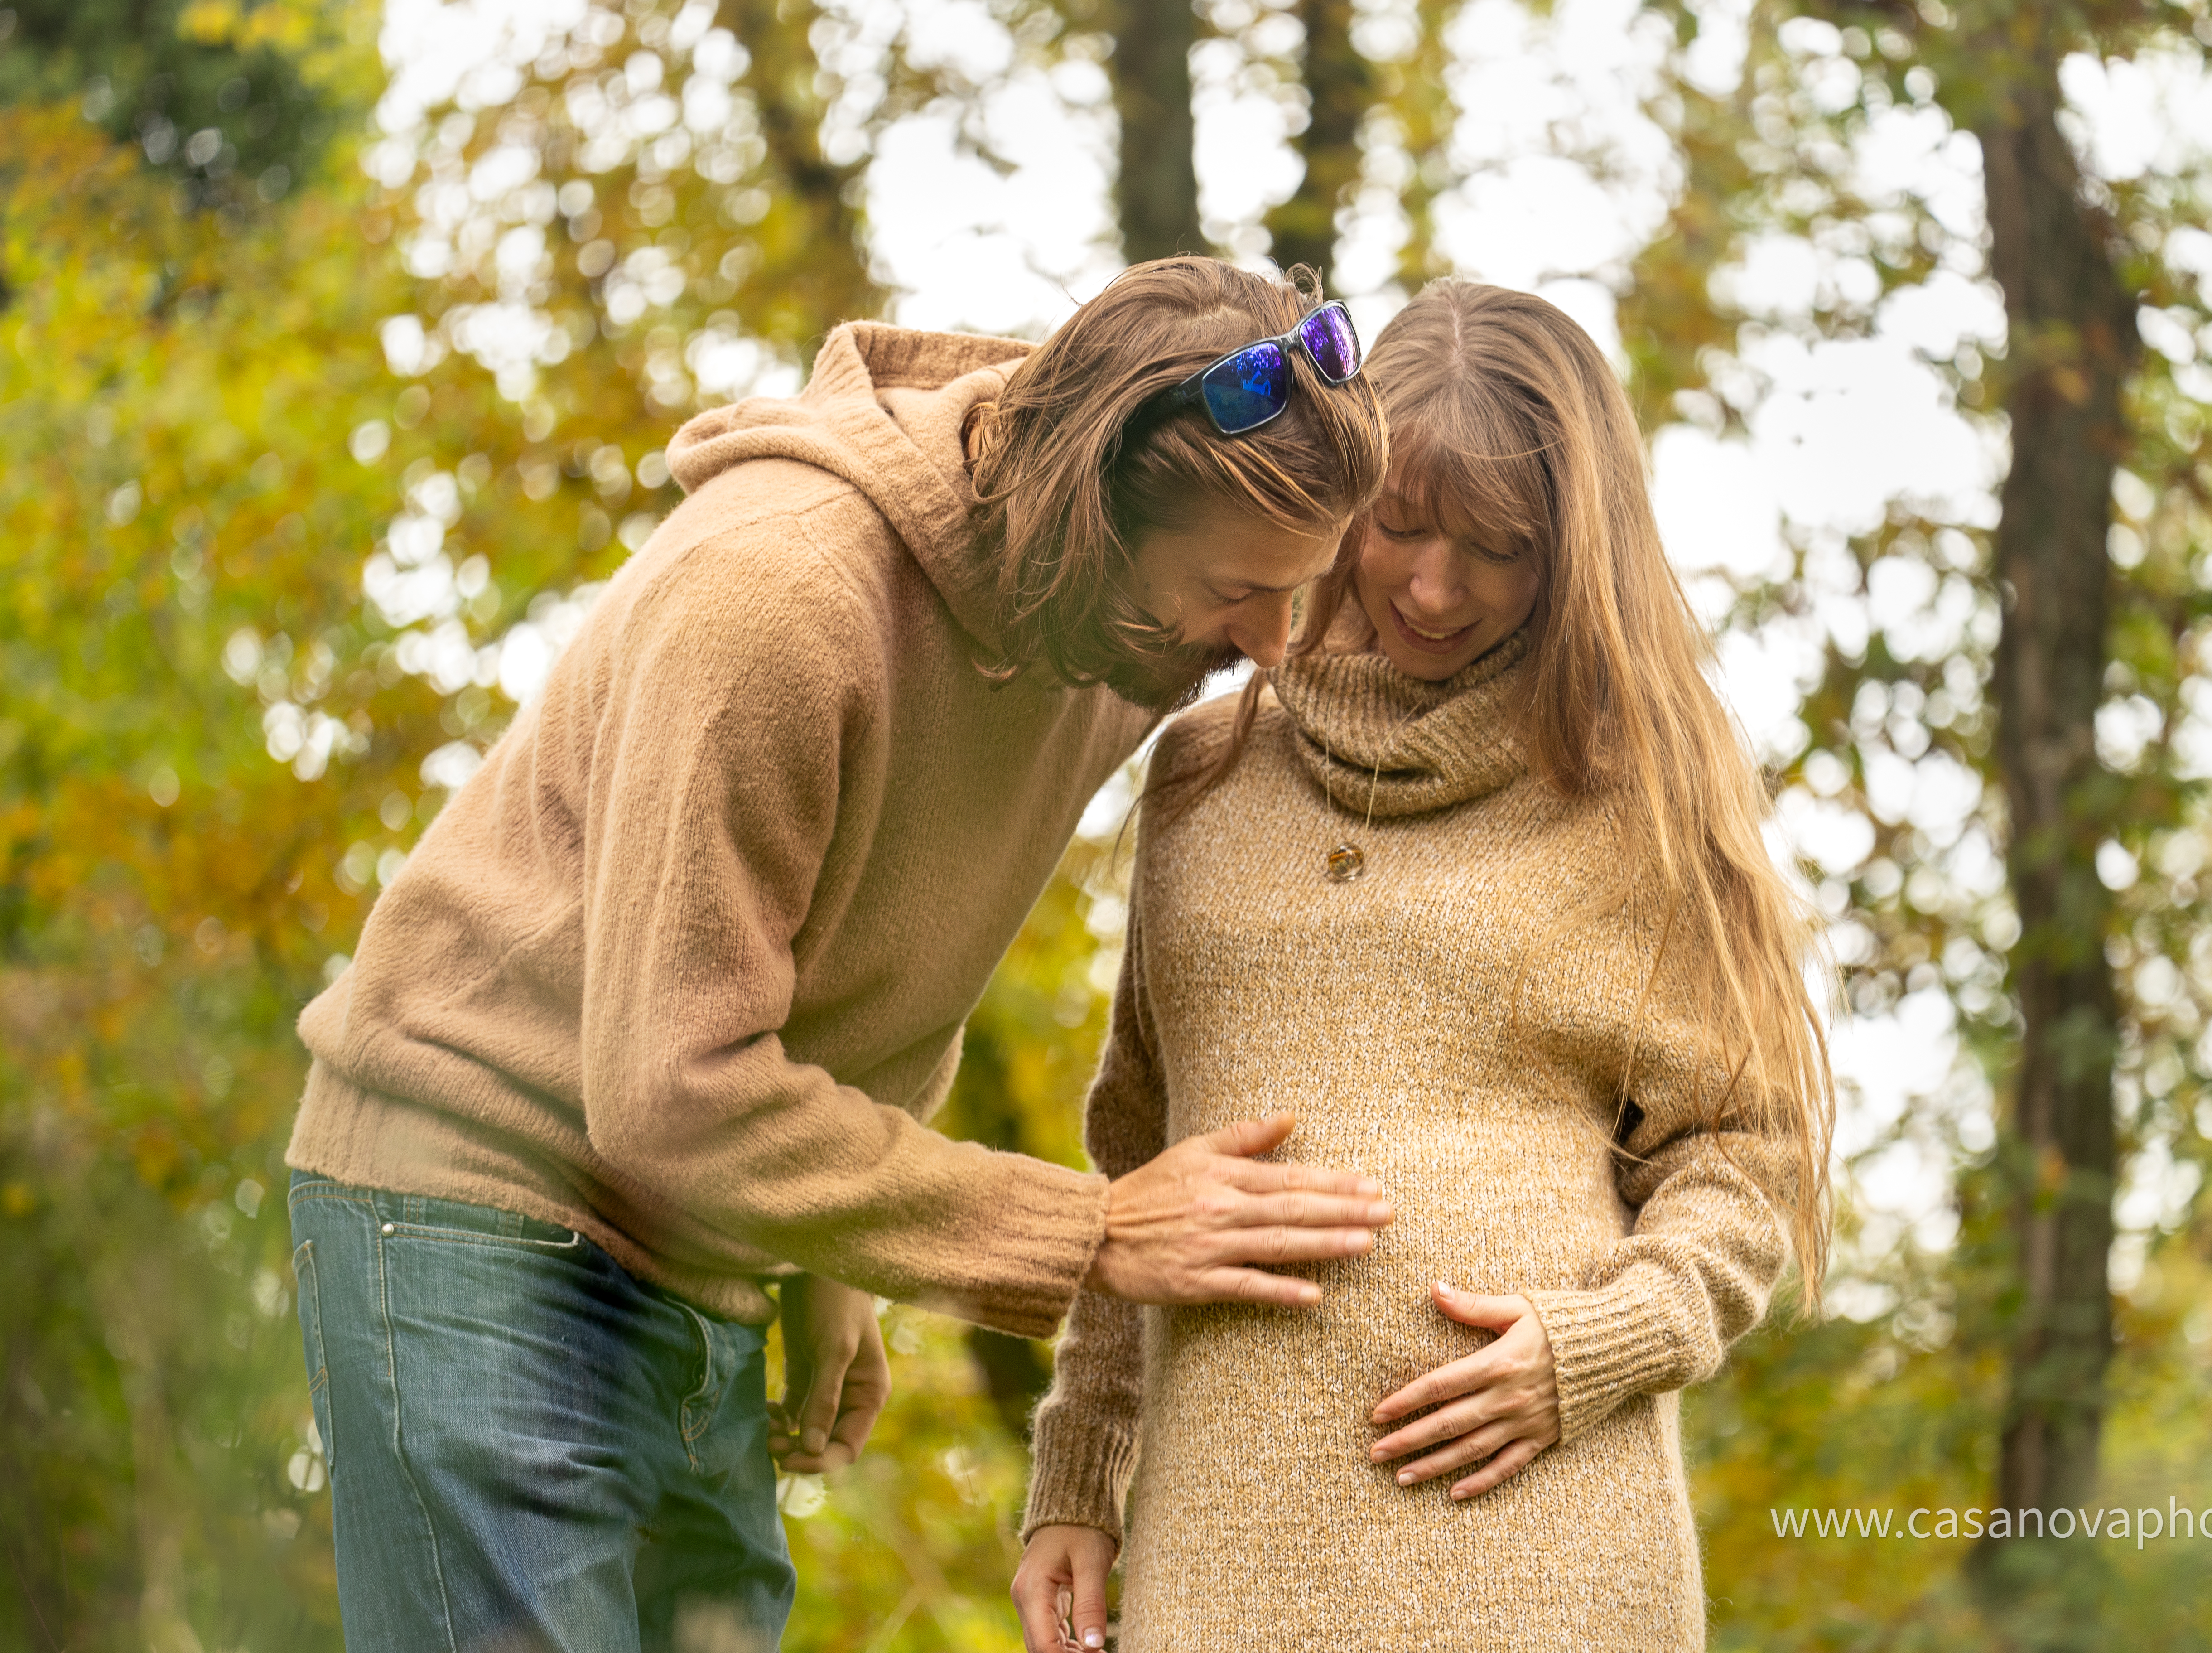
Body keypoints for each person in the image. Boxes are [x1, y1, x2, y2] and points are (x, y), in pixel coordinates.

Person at [283, 256, 1401, 1653]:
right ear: (1091, 506)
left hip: (696, 1251)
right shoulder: (777, 600)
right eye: (1240, 592)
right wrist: (1095, 1233)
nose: (1269, 646)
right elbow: (675, 1088)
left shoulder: (1114, 636)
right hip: (477, 1215)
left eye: (1296, 594)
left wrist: (833, 1265)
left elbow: (838, 952)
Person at [1011, 280, 1836, 1652]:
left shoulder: (1639, 800)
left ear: (1573, 552)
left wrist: (1597, 1350)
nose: (1434, 586)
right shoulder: (1205, 776)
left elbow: (1744, 1157)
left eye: (1498, 547)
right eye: (1400, 524)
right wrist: (1079, 1476)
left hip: (1547, 1547)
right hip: (1224, 1545)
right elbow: (1136, 1168)